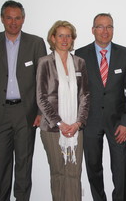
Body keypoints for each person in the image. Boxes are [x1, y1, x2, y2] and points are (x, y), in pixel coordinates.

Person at [0, 0, 47, 201]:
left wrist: (40, 112)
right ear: (2, 19)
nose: (13, 22)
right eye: (9, 17)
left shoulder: (36, 43)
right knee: (2, 163)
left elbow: (42, 82)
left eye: (17, 18)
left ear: (23, 19)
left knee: (24, 164)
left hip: (26, 114)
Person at [75, 13, 126, 201]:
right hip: (90, 122)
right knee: (93, 167)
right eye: (100, 27)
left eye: (109, 26)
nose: (105, 31)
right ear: (93, 30)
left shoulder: (125, 54)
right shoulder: (80, 54)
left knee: (120, 169)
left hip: (118, 124)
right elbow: (77, 91)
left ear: (113, 30)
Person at [36, 20, 90, 201]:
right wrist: (60, 123)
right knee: (58, 173)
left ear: (72, 39)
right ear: (53, 38)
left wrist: (77, 123)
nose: (65, 39)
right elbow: (41, 97)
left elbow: (85, 96)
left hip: (76, 128)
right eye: (61, 35)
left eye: (68, 35)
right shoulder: (44, 62)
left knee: (74, 173)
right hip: (52, 129)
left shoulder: (80, 62)